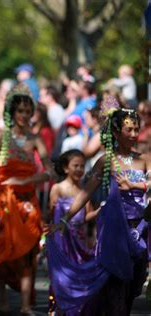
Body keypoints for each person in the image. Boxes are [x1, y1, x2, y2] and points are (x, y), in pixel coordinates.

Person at [47, 97, 150, 315]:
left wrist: (135, 184)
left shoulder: (145, 159)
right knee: (116, 285)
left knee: (134, 284)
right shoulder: (106, 161)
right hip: (115, 231)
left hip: (141, 228)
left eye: (136, 130)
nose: (133, 135)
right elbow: (86, 192)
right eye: (128, 130)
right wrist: (65, 219)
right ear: (116, 132)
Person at [0, 85, 52, 314]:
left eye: (28, 111)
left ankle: (25, 305)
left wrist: (26, 181)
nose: (24, 115)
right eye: (20, 111)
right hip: (2, 201)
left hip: (27, 202)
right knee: (1, 249)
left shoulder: (35, 139)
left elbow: (50, 172)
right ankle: (3, 299)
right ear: (12, 112)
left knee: (27, 250)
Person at [47, 149, 98, 314]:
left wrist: (101, 211)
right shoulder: (58, 188)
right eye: (75, 165)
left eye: (82, 166)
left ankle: (76, 310)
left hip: (80, 241)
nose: (79, 169)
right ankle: (59, 309)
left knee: (79, 276)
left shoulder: (85, 190)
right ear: (65, 168)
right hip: (62, 241)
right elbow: (51, 214)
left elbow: (86, 216)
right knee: (63, 278)